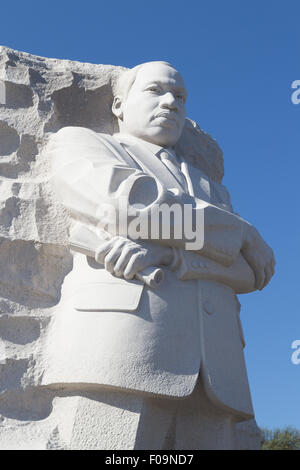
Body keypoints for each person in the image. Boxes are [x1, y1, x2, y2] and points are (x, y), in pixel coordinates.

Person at [42, 61, 275, 449]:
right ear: (119, 105)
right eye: (155, 91)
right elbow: (125, 204)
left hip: (218, 370)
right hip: (122, 347)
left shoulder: (209, 187)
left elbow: (252, 271)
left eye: (180, 97)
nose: (171, 103)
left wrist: (170, 256)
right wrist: (240, 231)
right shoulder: (85, 143)